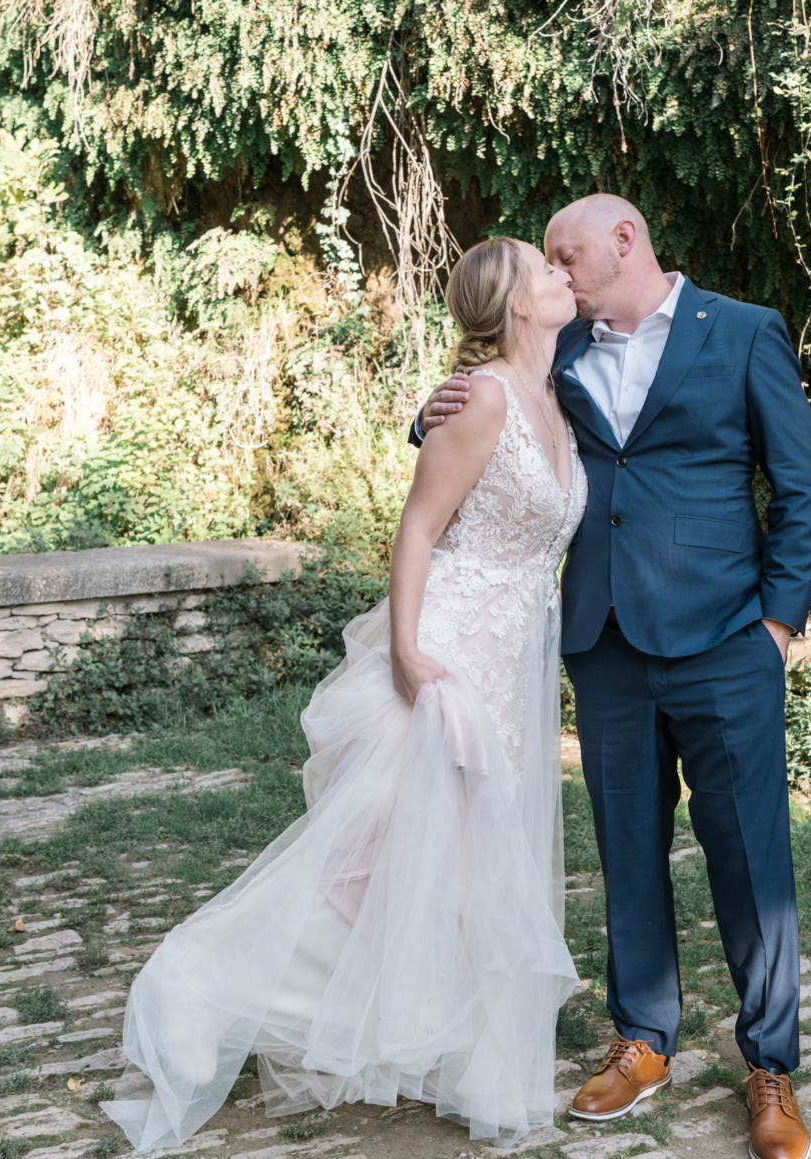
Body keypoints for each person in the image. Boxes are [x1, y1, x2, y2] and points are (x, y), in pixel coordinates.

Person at [102, 236, 589, 1151]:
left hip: (515, 662)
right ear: (518, 302)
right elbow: (418, 525)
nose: (564, 273)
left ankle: (458, 1056)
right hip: (446, 655)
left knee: (462, 871)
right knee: (369, 868)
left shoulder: (558, 394)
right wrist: (406, 651)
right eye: (546, 267)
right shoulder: (482, 398)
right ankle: (197, 987)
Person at [412, 194, 811, 1159]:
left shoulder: (746, 333)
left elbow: (800, 487)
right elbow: (490, 412)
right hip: (604, 643)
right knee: (625, 848)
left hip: (728, 642)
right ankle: (643, 1037)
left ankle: (770, 1064)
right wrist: (424, 408)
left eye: (569, 253)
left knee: (751, 857)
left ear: (627, 240)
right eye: (548, 259)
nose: (557, 270)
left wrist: (774, 625)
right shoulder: (559, 347)